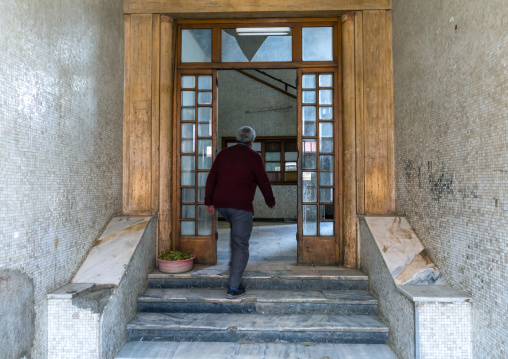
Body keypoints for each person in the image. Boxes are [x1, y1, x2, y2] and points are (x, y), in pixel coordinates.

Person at [205, 126, 275, 298]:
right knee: (240, 244)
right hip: (240, 207)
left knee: (236, 236)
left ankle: (234, 264)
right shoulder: (254, 156)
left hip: (222, 205)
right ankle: (233, 288)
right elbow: (263, 180)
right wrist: (270, 201)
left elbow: (211, 177)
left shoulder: (223, 154)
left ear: (236, 139)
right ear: (252, 142)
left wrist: (209, 202)